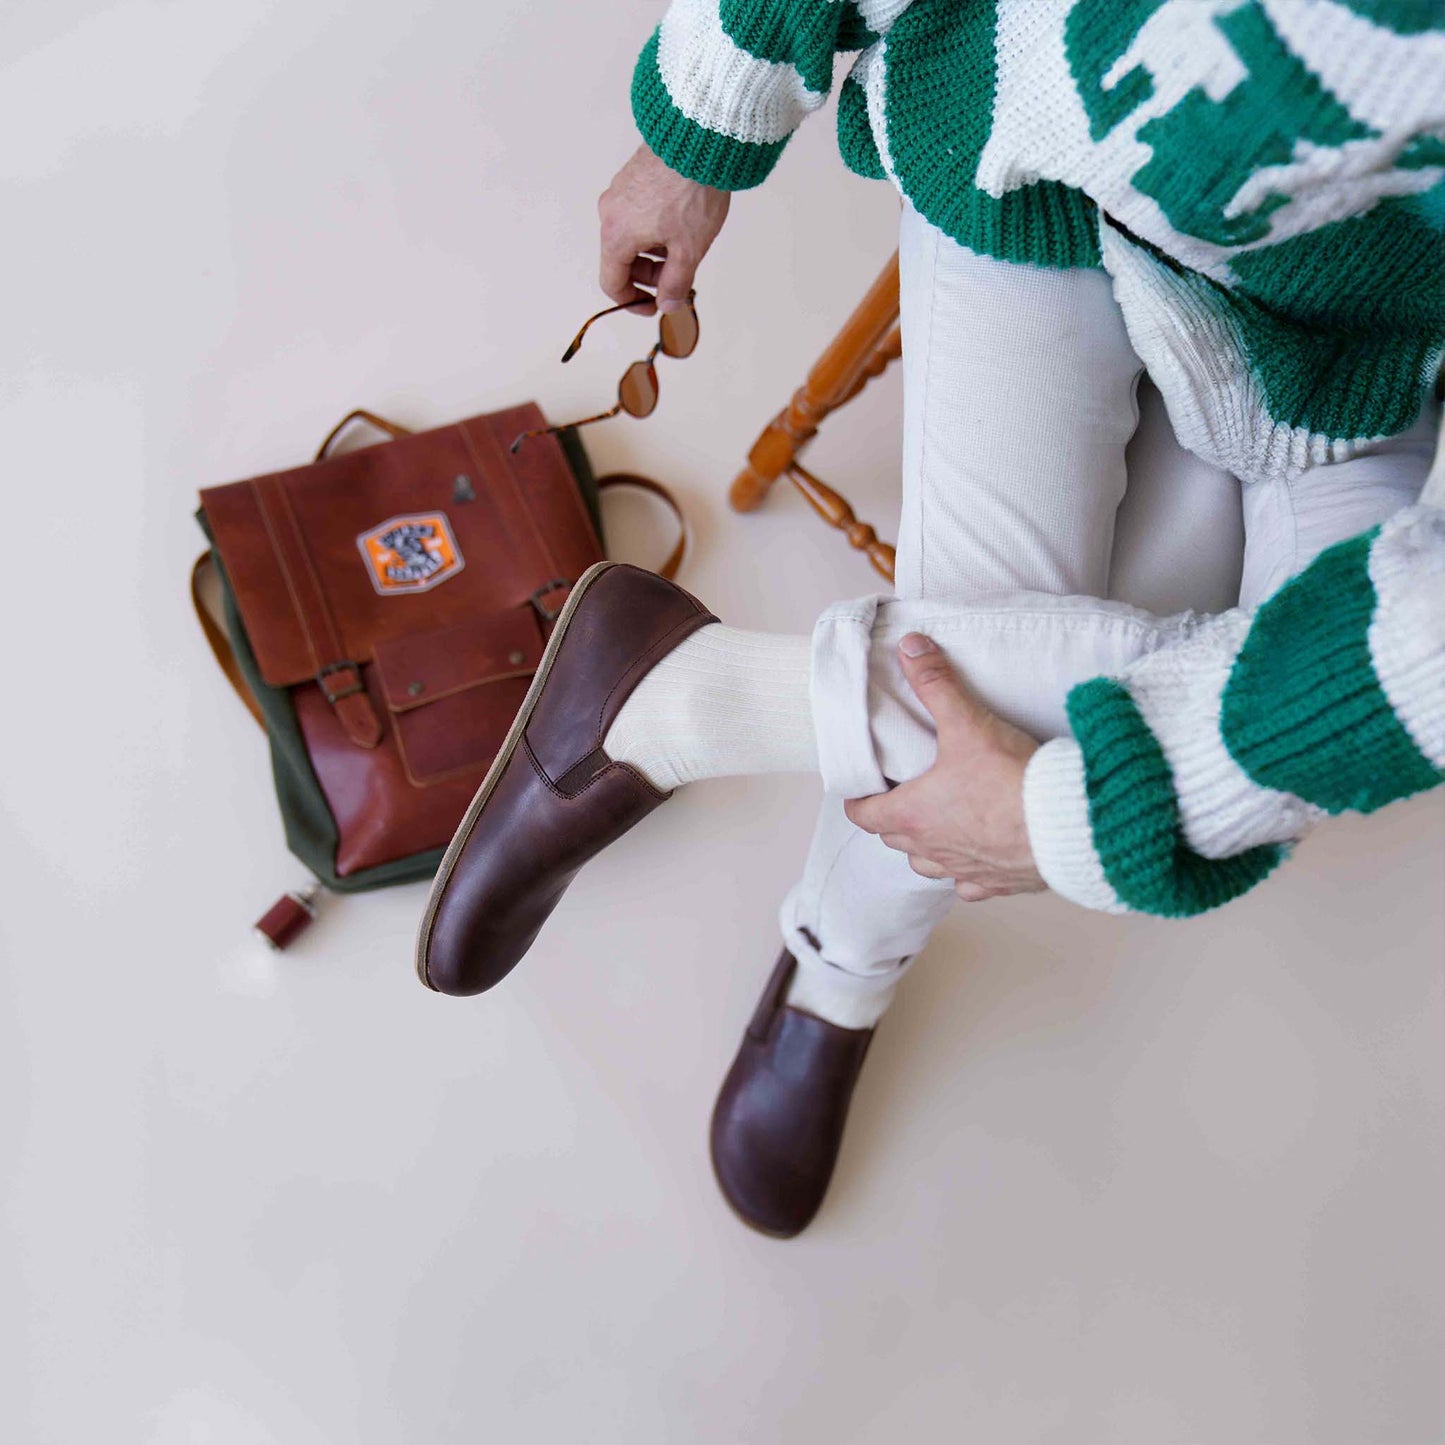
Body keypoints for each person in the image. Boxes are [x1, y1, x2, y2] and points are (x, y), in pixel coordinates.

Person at [417, 0, 1445, 1238]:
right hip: (1034, 167)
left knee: (1278, 747)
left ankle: (677, 706)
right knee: (1018, 709)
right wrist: (699, 122)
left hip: (1369, 366)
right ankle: (834, 967)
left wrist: (1063, 819)